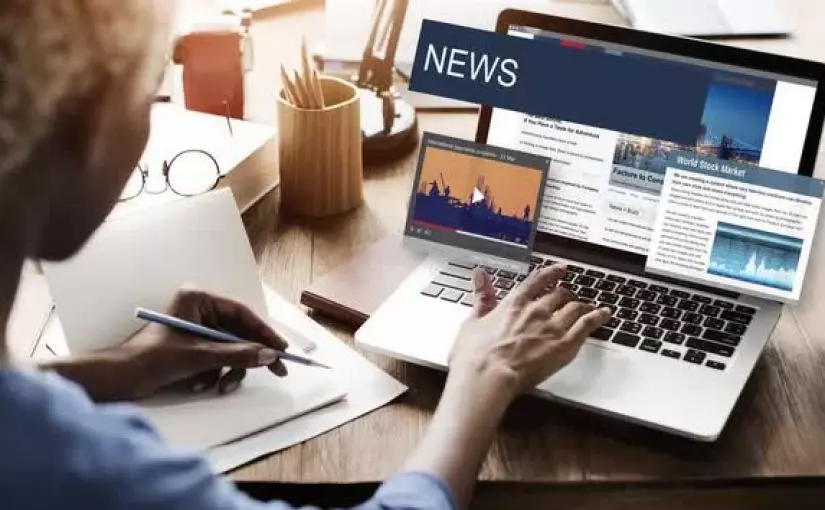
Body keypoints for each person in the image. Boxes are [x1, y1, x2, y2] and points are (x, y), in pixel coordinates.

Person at [0, 2, 611, 509]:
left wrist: (120, 367)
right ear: (79, 126)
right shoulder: (90, 472)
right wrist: (483, 376)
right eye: (148, 97)